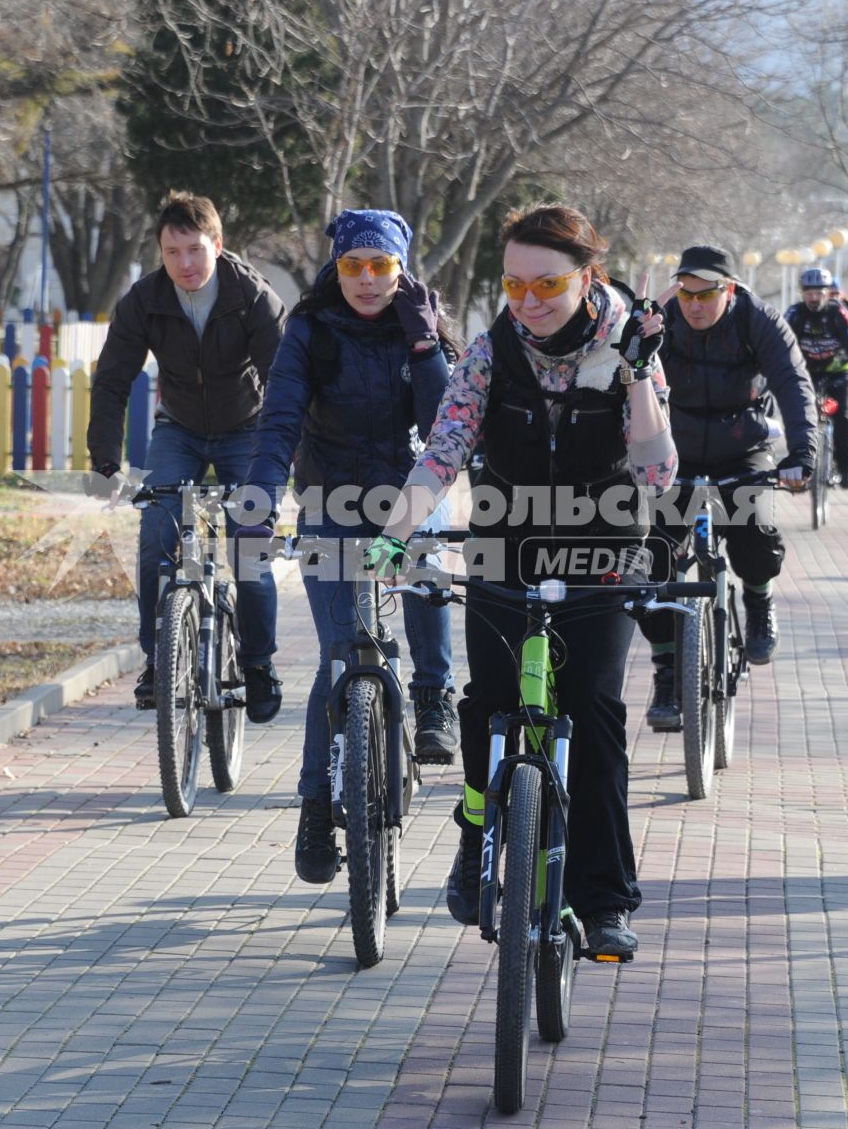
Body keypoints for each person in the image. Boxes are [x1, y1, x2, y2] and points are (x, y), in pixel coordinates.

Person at [367, 203, 675, 960]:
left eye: (548, 283)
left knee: (596, 710)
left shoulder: (627, 346)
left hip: (604, 543)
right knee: (488, 701)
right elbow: (444, 451)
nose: (528, 300)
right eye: (513, 283)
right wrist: (394, 532)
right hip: (506, 538)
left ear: (587, 277)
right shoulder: (490, 350)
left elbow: (660, 473)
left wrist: (636, 374)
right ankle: (476, 839)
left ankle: (604, 900)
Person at [244, 209, 460, 883]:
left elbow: (445, 429)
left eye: (382, 267)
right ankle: (315, 804)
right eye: (353, 266)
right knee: (341, 655)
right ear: (335, 269)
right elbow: (279, 420)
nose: (367, 280)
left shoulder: (420, 325)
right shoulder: (308, 330)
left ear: (401, 269)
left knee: (425, 559)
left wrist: (426, 349)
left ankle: (433, 695)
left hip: (404, 491)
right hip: (328, 499)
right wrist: (257, 501)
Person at [86, 191, 287, 722]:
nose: (185, 264)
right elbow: (111, 381)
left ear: (217, 246)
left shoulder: (253, 298)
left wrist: (280, 467)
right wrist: (106, 463)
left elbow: (284, 385)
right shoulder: (144, 301)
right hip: (178, 430)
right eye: (173, 253)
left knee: (250, 546)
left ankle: (260, 663)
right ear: (161, 253)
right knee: (157, 534)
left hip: (248, 429)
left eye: (195, 249)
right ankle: (158, 659)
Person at [640, 245, 817, 731]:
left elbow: (793, 385)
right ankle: (667, 671)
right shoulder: (662, 321)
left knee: (755, 532)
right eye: (687, 293)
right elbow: (623, 382)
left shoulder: (758, 321)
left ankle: (758, 601)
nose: (695, 304)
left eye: (707, 293)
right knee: (649, 561)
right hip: (669, 455)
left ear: (730, 289)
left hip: (742, 450)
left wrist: (801, 455)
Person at [785, 267, 848, 488]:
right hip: (807, 373)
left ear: (828, 293)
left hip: (838, 371)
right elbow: (781, 345)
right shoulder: (794, 315)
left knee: (843, 417)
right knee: (801, 418)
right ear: (802, 294)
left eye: (819, 293)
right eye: (809, 294)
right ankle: (801, 468)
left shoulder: (839, 313)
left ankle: (845, 467)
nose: (814, 299)